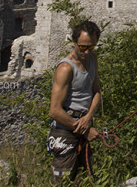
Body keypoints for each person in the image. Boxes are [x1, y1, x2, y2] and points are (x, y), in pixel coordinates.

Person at [47, 20, 103, 183]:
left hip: (82, 125)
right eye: (82, 47)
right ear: (74, 42)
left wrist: (88, 117)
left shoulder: (92, 59)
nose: (86, 52)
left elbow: (97, 91)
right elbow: (55, 111)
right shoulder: (65, 69)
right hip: (65, 131)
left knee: (86, 179)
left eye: (91, 47)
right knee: (63, 182)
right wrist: (84, 130)